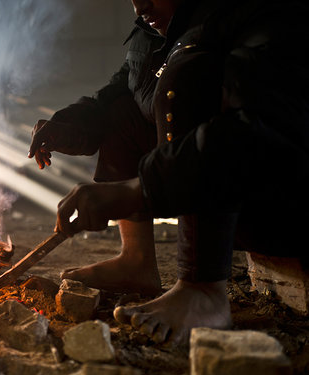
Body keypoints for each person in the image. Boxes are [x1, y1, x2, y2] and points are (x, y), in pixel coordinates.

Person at [28, 0, 309, 345]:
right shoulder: (156, 31)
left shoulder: (254, 13)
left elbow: (258, 129)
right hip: (228, 192)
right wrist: (68, 127)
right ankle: (137, 261)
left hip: (284, 201)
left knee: (183, 82)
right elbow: (118, 96)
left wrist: (138, 190)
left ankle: (203, 288)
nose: (138, 6)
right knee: (123, 110)